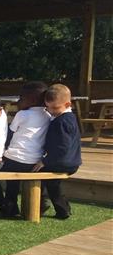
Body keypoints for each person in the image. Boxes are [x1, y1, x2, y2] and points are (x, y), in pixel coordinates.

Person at [0, 81, 50, 217]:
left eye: (21, 98)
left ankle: (10, 206)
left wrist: (3, 150)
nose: (18, 101)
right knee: (40, 182)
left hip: (14, 158)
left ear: (31, 100)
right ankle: (40, 203)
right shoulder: (48, 116)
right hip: (35, 161)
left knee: (12, 184)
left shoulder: (22, 115)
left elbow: (11, 132)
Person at [35, 83, 82, 219]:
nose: (51, 111)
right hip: (72, 161)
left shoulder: (62, 122)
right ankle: (63, 210)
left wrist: (45, 161)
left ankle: (40, 205)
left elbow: (63, 147)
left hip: (62, 161)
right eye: (48, 108)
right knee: (53, 185)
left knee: (38, 175)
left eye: (55, 108)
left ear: (68, 104)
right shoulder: (70, 118)